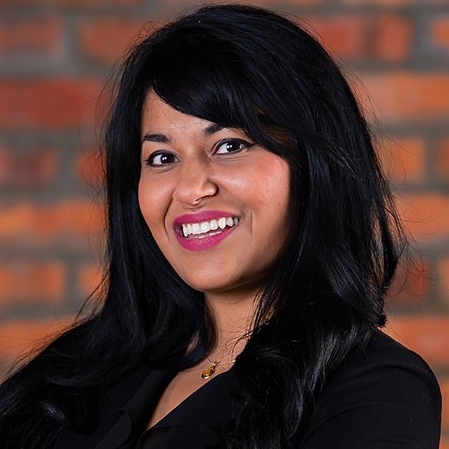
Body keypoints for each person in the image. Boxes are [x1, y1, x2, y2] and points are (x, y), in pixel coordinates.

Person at [0, 4, 441, 449]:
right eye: (162, 157)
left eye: (230, 145)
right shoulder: (73, 374)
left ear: (313, 165)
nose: (191, 188)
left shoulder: (373, 389)